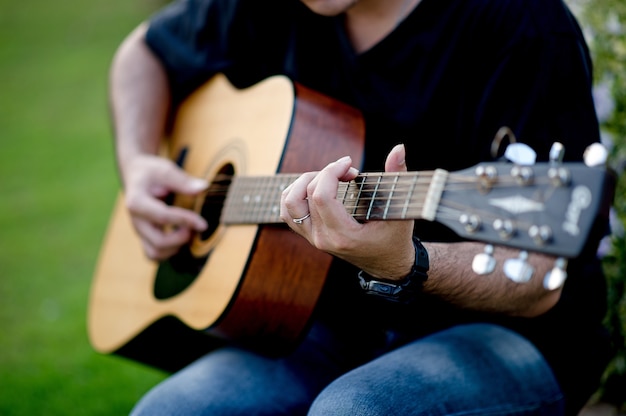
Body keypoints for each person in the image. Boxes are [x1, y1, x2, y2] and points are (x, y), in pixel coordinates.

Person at [109, 0, 612, 414]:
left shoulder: (521, 24)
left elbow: (539, 281)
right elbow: (140, 54)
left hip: (508, 335)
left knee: (352, 410)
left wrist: (407, 265)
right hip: (316, 325)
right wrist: (136, 165)